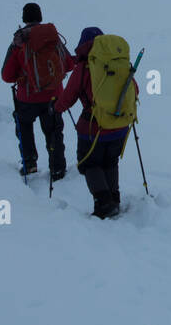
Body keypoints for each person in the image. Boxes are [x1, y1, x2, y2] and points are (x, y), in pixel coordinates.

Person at [55, 27, 138, 218]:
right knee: (110, 161)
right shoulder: (120, 64)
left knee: (89, 164)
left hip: (93, 128)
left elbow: (68, 97)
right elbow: (135, 90)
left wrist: (56, 108)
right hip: (120, 125)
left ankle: (103, 203)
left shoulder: (84, 68)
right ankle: (114, 199)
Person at [1, 3, 70, 180]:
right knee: (54, 131)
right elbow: (68, 63)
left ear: (24, 18)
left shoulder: (19, 41)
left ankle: (29, 164)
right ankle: (57, 168)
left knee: (24, 128)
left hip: (27, 97)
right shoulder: (52, 37)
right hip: (53, 95)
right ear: (40, 16)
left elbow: (7, 75)